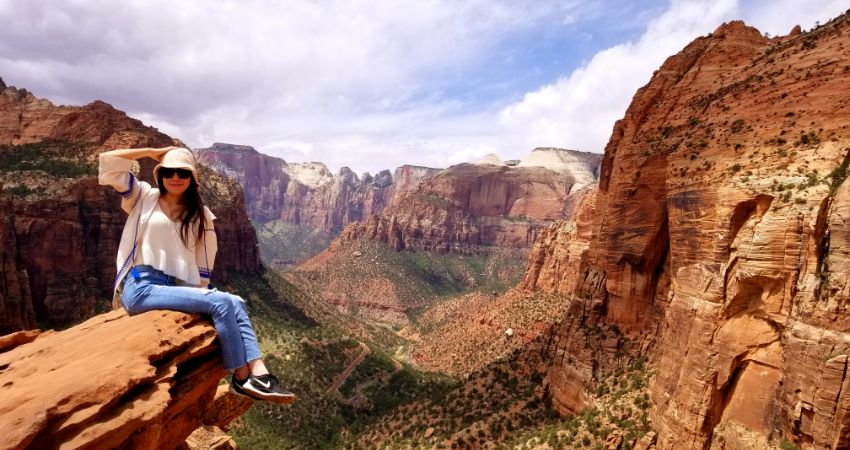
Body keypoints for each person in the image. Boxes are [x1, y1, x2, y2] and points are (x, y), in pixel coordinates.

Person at [98, 145, 295, 404]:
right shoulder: (142, 196)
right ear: (160, 174)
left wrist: (202, 293)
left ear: (192, 178)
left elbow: (204, 261)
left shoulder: (200, 215)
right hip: (141, 287)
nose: (175, 177)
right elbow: (109, 162)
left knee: (235, 301)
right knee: (221, 302)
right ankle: (241, 377)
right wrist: (152, 151)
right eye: (168, 172)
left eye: (183, 172)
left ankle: (260, 373)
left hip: (170, 287)